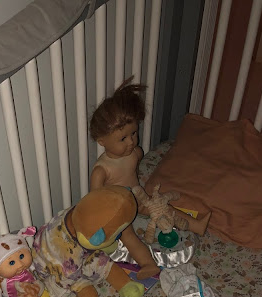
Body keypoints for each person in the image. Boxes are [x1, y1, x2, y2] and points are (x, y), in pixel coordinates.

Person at [89, 77, 210, 235]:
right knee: (128, 236)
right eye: (123, 139)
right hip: (118, 211)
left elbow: (133, 170)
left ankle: (197, 225)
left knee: (165, 209)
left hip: (139, 202)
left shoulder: (135, 153)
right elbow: (94, 204)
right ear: (102, 141)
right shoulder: (101, 171)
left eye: (133, 133)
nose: (131, 141)